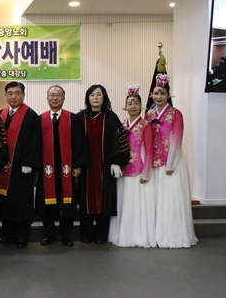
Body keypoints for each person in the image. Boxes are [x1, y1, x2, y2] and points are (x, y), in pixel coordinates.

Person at [145, 75, 198, 248]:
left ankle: (174, 236)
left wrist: (171, 163)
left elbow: (177, 138)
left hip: (171, 162)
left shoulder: (176, 114)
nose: (159, 96)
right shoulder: (149, 114)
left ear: (168, 95)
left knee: (171, 199)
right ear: (151, 95)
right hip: (154, 163)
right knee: (156, 200)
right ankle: (156, 235)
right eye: (156, 93)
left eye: (162, 93)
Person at [37, 85, 88, 247]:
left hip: (67, 169)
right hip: (47, 170)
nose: (55, 98)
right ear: (47, 98)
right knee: (47, 204)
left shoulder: (74, 119)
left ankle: (66, 235)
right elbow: (35, 145)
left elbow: (80, 143)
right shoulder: (40, 119)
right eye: (52, 95)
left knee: (68, 203)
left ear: (64, 98)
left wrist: (78, 165)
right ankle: (49, 234)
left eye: (58, 95)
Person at [77, 84, 129, 244]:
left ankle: (101, 234)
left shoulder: (111, 117)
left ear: (104, 97)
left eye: (98, 94)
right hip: (85, 167)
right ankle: (86, 233)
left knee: (104, 200)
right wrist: (76, 163)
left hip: (105, 167)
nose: (95, 98)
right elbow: (75, 143)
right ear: (87, 98)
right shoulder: (80, 118)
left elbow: (118, 141)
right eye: (92, 95)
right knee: (85, 200)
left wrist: (115, 161)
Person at [108, 86, 156, 248]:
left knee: (138, 204)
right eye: (130, 103)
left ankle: (138, 235)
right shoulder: (121, 124)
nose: (133, 106)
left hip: (139, 169)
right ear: (125, 106)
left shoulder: (146, 125)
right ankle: (123, 234)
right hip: (123, 169)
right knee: (124, 202)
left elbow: (149, 149)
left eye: (136, 103)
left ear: (141, 106)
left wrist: (147, 172)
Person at [0, 82, 40, 249]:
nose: (13, 96)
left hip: (22, 168)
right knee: (6, 202)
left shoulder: (30, 115)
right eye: (10, 93)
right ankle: (7, 233)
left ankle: (22, 236)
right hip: (5, 167)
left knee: (22, 202)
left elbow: (34, 141)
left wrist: (28, 162)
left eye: (17, 93)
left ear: (23, 95)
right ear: (5, 95)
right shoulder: (1, 114)